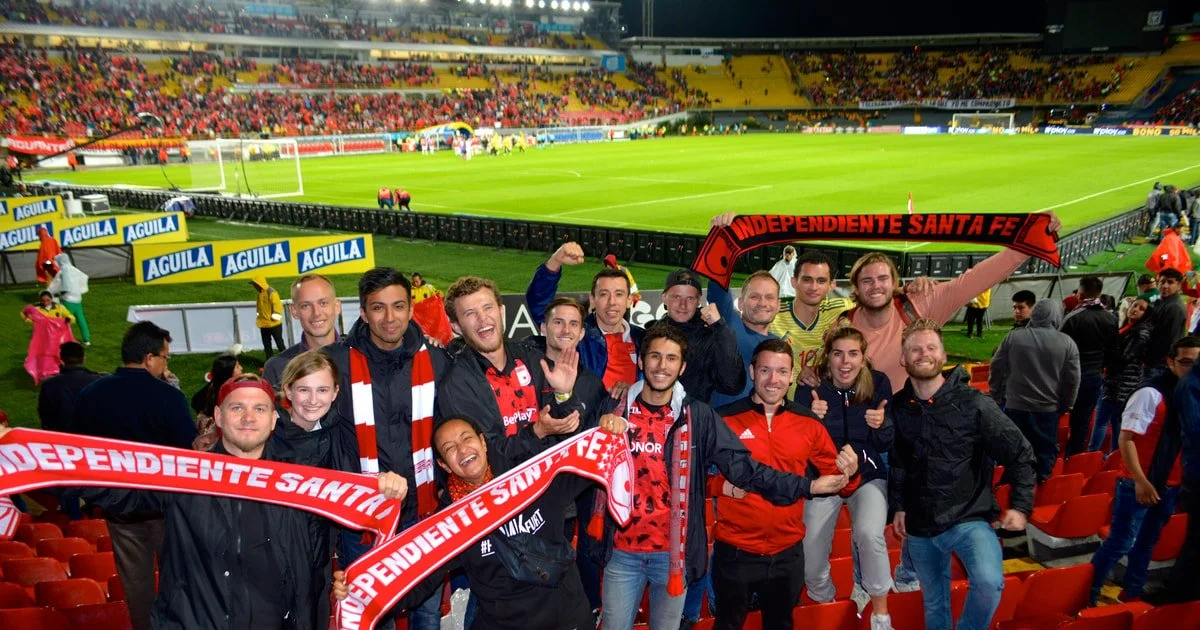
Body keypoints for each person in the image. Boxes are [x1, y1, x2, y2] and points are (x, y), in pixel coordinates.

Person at [71, 374, 403, 629]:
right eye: (237, 408)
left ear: (274, 419)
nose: (248, 417)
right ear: (217, 415)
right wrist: (41, 460)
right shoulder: (184, 475)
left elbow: (338, 540)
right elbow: (113, 489)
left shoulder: (303, 482)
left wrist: (384, 488)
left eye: (259, 409)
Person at [593, 323, 855, 630]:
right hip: (623, 552)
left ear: (683, 366)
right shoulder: (613, 407)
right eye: (655, 357)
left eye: (671, 358)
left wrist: (808, 485)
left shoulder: (699, 416)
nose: (662, 366)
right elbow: (570, 451)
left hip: (673, 555)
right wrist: (589, 420)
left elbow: (746, 470)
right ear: (641, 361)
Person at [322, 267, 452, 630]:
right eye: (378, 308)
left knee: (426, 612)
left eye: (398, 306)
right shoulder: (335, 364)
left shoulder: (437, 360)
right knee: (371, 613)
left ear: (411, 309)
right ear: (363, 314)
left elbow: (451, 428)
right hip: (363, 518)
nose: (389, 318)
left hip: (423, 511)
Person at [891, 319, 1036, 630]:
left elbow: (1020, 452)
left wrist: (1022, 506)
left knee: (988, 583)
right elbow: (898, 462)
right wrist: (899, 505)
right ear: (903, 359)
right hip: (920, 525)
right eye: (914, 349)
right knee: (934, 603)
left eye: (931, 347)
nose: (923, 354)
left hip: (969, 518)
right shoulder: (898, 407)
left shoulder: (975, 404)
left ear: (944, 356)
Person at [833, 214, 1059, 394]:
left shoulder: (921, 305)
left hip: (914, 426)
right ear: (855, 287)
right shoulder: (843, 325)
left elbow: (975, 279)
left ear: (895, 283)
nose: (876, 286)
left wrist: (1028, 242)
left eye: (883, 279)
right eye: (867, 281)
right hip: (867, 432)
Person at [710, 338, 849, 630]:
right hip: (735, 551)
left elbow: (838, 480)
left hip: (787, 553)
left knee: (781, 625)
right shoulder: (724, 419)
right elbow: (693, 476)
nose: (773, 380)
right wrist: (718, 487)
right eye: (765, 371)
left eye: (782, 372)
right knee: (727, 625)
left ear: (791, 375)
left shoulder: (808, 422)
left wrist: (852, 471)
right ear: (752, 372)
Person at [68, 321, 196, 630]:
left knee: (136, 586)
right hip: (167, 507)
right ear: (150, 358)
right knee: (178, 580)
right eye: (165, 357)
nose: (166, 363)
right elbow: (187, 450)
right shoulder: (167, 396)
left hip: (118, 507)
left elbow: (77, 449)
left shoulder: (90, 394)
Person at [795, 328, 896, 630]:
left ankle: (880, 613)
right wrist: (809, 418)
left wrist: (881, 426)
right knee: (810, 556)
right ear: (828, 357)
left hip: (866, 476)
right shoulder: (811, 388)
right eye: (838, 353)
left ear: (864, 358)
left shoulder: (878, 383)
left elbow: (886, 443)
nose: (845, 361)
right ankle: (828, 603)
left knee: (869, 534)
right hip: (825, 477)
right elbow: (799, 447)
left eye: (853, 353)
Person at [1089, 336, 1199, 605]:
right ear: (1170, 361)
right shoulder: (1150, 393)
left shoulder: (1189, 393)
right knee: (1120, 543)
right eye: (1186, 363)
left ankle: (1134, 592)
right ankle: (1087, 592)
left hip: (1170, 484)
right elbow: (1125, 440)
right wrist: (1141, 481)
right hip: (1138, 483)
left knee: (1147, 543)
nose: (1192, 369)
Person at [438, 276, 585, 463]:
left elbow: (569, 433)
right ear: (456, 326)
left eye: (488, 307)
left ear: (502, 311)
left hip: (551, 480)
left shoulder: (533, 359)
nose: (483, 319)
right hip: (506, 489)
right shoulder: (456, 386)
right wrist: (537, 432)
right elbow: (486, 458)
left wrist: (564, 396)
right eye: (470, 313)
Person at [527, 242, 646, 392]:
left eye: (619, 294)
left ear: (629, 300)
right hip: (587, 413)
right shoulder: (579, 336)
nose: (612, 302)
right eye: (604, 294)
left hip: (633, 415)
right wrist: (555, 262)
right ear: (592, 299)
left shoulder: (643, 339)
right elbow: (540, 306)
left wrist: (634, 391)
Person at [989, 300, 1079, 480]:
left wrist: (996, 393)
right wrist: (1066, 405)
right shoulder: (1067, 343)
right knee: (1043, 458)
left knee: (1013, 454)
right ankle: (1038, 492)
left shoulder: (1014, 337)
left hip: (1015, 406)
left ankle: (1008, 492)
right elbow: (1072, 380)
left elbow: (997, 367)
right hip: (1047, 410)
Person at [769, 250, 854, 396]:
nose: (814, 287)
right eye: (807, 280)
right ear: (794, 282)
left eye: (821, 281)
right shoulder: (773, 316)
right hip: (779, 404)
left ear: (831, 285)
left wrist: (902, 289)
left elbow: (875, 300)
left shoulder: (839, 309)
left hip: (822, 405)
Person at [658, 268, 746, 404]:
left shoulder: (709, 336)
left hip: (694, 420)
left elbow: (732, 385)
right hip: (652, 420)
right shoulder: (650, 334)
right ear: (664, 297)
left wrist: (720, 327)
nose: (683, 305)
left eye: (690, 298)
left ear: (699, 300)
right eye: (677, 297)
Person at [706, 269, 781, 409]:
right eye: (754, 297)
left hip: (763, 426)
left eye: (770, 297)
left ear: (778, 305)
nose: (762, 303)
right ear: (740, 303)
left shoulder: (779, 346)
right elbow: (719, 278)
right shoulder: (728, 323)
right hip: (724, 426)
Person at [1061, 276, 1119, 455]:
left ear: (1081, 292)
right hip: (1094, 376)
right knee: (1082, 420)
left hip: (1070, 376)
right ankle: (1075, 455)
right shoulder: (1110, 319)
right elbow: (1113, 352)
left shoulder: (1073, 317)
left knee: (1056, 416)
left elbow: (1060, 347)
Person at [1159, 356, 1200, 604]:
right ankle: (1178, 602)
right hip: (1197, 479)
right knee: (1195, 548)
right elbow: (1195, 431)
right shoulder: (1191, 385)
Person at [1091, 297, 1154, 453]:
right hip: (1117, 381)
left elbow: (1126, 357)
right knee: (1116, 421)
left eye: (1141, 308)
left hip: (1121, 383)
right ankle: (1113, 455)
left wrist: (1106, 355)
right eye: (1134, 305)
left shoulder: (1141, 332)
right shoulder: (1127, 327)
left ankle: (1092, 455)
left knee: (1102, 421)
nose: (1135, 309)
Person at [263, 274, 341, 388]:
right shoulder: (277, 367)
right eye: (306, 306)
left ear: (336, 306)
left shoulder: (360, 358)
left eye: (323, 303)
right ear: (294, 311)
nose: (316, 313)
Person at [37, 341, 102, 432]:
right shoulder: (100, 381)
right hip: (92, 436)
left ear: (62, 359)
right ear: (84, 358)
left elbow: (44, 415)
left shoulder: (49, 384)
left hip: (61, 437)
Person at [190, 353, 243, 451]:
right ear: (228, 372)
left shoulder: (213, 386)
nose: (241, 368)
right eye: (237, 366)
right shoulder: (228, 392)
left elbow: (195, 401)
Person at [22, 292, 76, 385]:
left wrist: (68, 319)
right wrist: (31, 320)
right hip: (44, 338)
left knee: (59, 353)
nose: (46, 302)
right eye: (43, 300)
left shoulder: (59, 307)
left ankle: (60, 371)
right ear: (40, 300)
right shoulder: (37, 309)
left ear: (52, 299)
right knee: (45, 354)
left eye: (48, 300)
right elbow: (24, 314)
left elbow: (71, 317)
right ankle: (46, 372)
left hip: (58, 336)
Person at [1145, 268, 1188, 377]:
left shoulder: (1174, 307)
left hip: (1161, 364)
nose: (1165, 286)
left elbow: (1170, 340)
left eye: (1170, 282)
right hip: (1154, 361)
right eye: (1162, 282)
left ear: (1178, 286)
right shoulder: (1162, 302)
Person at [47, 252, 90, 346]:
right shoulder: (75, 270)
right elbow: (84, 278)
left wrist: (50, 292)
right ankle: (86, 339)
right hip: (78, 299)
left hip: (67, 300)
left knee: (64, 321)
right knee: (81, 319)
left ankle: (63, 339)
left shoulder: (63, 271)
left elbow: (57, 285)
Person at [251, 276, 286, 359]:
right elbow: (259, 308)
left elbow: (277, 306)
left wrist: (274, 318)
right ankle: (269, 362)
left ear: (258, 284)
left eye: (254, 284)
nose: (254, 286)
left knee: (279, 343)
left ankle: (286, 361)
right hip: (263, 324)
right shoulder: (260, 294)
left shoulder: (271, 292)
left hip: (274, 325)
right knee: (267, 345)